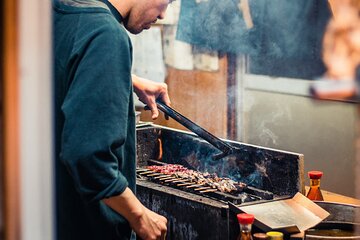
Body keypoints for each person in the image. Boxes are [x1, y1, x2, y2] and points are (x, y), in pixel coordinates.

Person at [53, 0, 172, 239]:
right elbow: (88, 156)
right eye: (167, 1)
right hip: (83, 226)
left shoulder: (54, 11)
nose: (163, 15)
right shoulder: (107, 35)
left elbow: (62, 63)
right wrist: (139, 216)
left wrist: (125, 78)